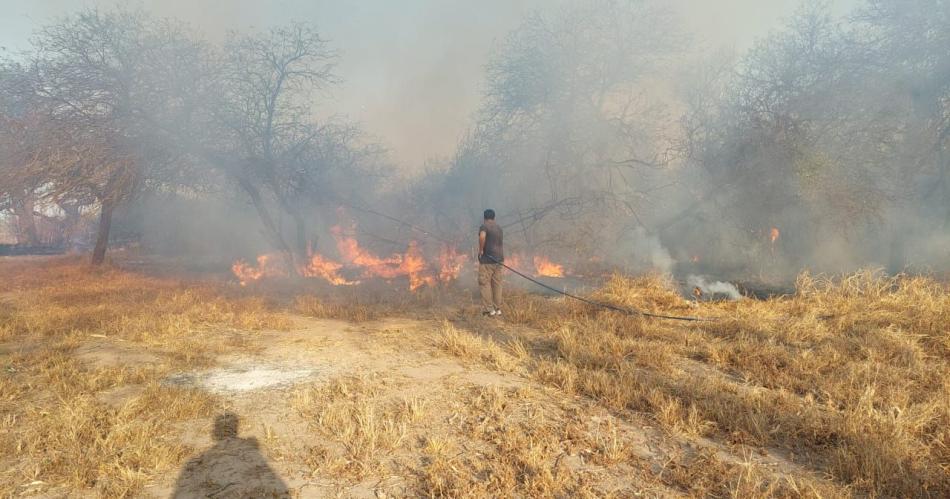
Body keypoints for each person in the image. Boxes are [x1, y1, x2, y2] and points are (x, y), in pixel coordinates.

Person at [478, 209, 504, 316]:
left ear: (484, 218)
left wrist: (481, 250)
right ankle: (497, 309)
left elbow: (482, 236)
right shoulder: (499, 228)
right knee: (497, 284)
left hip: (487, 260)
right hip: (499, 260)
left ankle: (489, 309)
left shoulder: (484, 226)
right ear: (494, 217)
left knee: (484, 283)